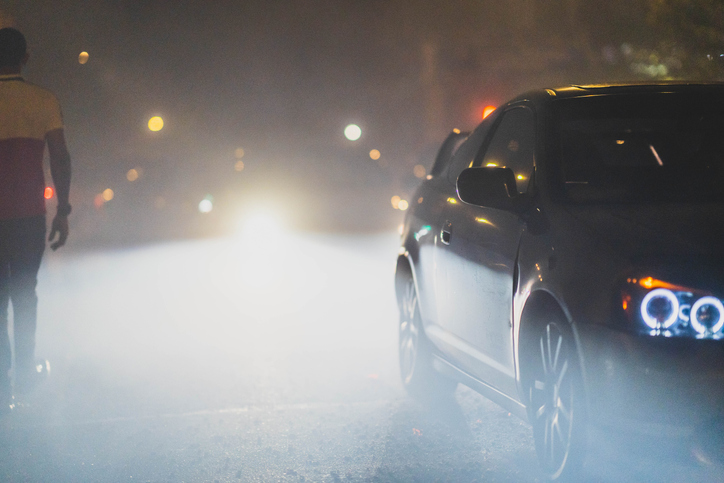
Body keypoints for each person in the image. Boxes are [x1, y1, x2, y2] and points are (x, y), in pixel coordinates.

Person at [0, 27, 71, 411]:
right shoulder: (43, 100)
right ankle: (24, 375)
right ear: (25, 57)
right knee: (24, 296)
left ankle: (1, 380)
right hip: (27, 216)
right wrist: (63, 209)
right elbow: (60, 156)